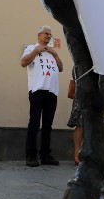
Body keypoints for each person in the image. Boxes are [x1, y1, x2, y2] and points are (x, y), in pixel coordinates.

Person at [21, 25, 63, 167]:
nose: (49, 36)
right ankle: (31, 155)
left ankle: (45, 155)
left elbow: (61, 68)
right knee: (34, 123)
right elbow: (23, 62)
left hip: (52, 91)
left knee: (47, 125)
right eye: (46, 33)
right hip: (37, 89)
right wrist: (35, 51)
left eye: (50, 34)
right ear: (39, 34)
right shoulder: (31, 48)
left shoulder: (52, 52)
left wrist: (56, 54)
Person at [67, 69, 82, 166]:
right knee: (80, 124)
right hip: (81, 93)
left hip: (95, 94)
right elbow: (75, 73)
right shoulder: (80, 62)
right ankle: (77, 154)